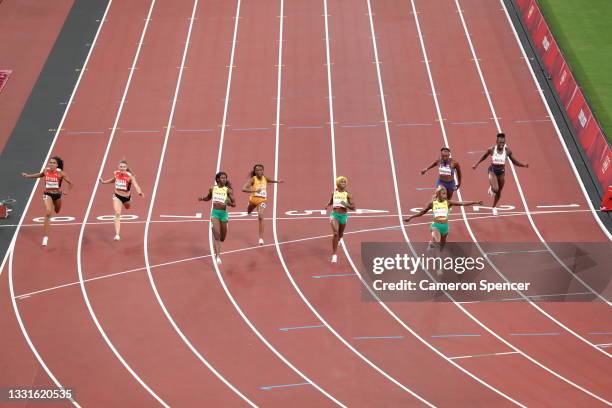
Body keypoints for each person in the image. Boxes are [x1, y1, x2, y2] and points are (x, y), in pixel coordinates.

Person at [404, 186, 482, 257]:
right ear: (438, 194)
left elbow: (461, 203)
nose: (445, 195)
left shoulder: (448, 203)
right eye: (443, 193)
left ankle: (432, 243)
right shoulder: (432, 203)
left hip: (445, 227)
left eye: (446, 193)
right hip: (435, 226)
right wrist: (410, 217)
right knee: (438, 245)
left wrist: (475, 202)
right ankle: (439, 265)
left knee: (442, 246)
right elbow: (422, 212)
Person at [22, 156, 73, 246]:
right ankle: (45, 237)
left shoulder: (61, 174)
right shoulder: (46, 171)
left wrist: (66, 191)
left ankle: (57, 201)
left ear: (57, 165)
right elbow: (40, 175)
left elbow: (71, 184)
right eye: (51, 162)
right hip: (47, 194)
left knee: (57, 211)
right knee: (48, 212)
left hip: (57, 195)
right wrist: (28, 176)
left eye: (54, 163)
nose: (52, 164)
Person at [472, 133, 528, 215]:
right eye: (500, 142)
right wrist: (476, 164)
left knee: (499, 192)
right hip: (492, 171)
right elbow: (484, 157)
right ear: (496, 142)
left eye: (503, 143)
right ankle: (492, 188)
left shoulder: (507, 151)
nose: (502, 144)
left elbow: (514, 161)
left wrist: (523, 165)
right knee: (495, 189)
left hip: (501, 174)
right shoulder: (491, 149)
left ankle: (494, 207)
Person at [99, 160, 144, 241]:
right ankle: (117, 234)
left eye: (123, 167)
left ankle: (129, 199)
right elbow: (114, 180)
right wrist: (104, 182)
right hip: (117, 196)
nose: (122, 168)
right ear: (118, 167)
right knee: (117, 213)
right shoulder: (116, 173)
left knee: (128, 207)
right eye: (121, 166)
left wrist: (139, 192)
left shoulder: (130, 176)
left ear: (126, 168)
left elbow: (136, 185)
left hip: (126, 197)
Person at [199, 171, 235, 265]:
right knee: (217, 236)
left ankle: (218, 249)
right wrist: (202, 198)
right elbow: (208, 198)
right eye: (222, 178)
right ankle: (218, 256)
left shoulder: (228, 190)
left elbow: (234, 204)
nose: (224, 179)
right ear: (218, 179)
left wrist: (229, 203)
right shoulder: (212, 188)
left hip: (223, 214)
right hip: (215, 214)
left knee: (223, 238)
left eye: (225, 178)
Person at [242, 164, 283, 245]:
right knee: (248, 211)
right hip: (253, 200)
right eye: (257, 170)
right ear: (255, 171)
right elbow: (243, 189)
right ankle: (249, 206)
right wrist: (254, 191)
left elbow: (269, 180)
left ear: (263, 170)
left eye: (261, 170)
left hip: (263, 200)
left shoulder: (265, 178)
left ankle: (261, 238)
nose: (259, 171)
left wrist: (277, 181)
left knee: (260, 216)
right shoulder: (253, 179)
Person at [325, 176, 355, 263]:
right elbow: (331, 201)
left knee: (340, 234)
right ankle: (334, 255)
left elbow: (353, 207)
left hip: (343, 216)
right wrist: (327, 205)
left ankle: (339, 239)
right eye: (342, 182)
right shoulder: (334, 192)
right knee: (335, 233)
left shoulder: (348, 195)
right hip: (334, 215)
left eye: (345, 182)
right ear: (338, 183)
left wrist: (345, 204)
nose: (344, 184)